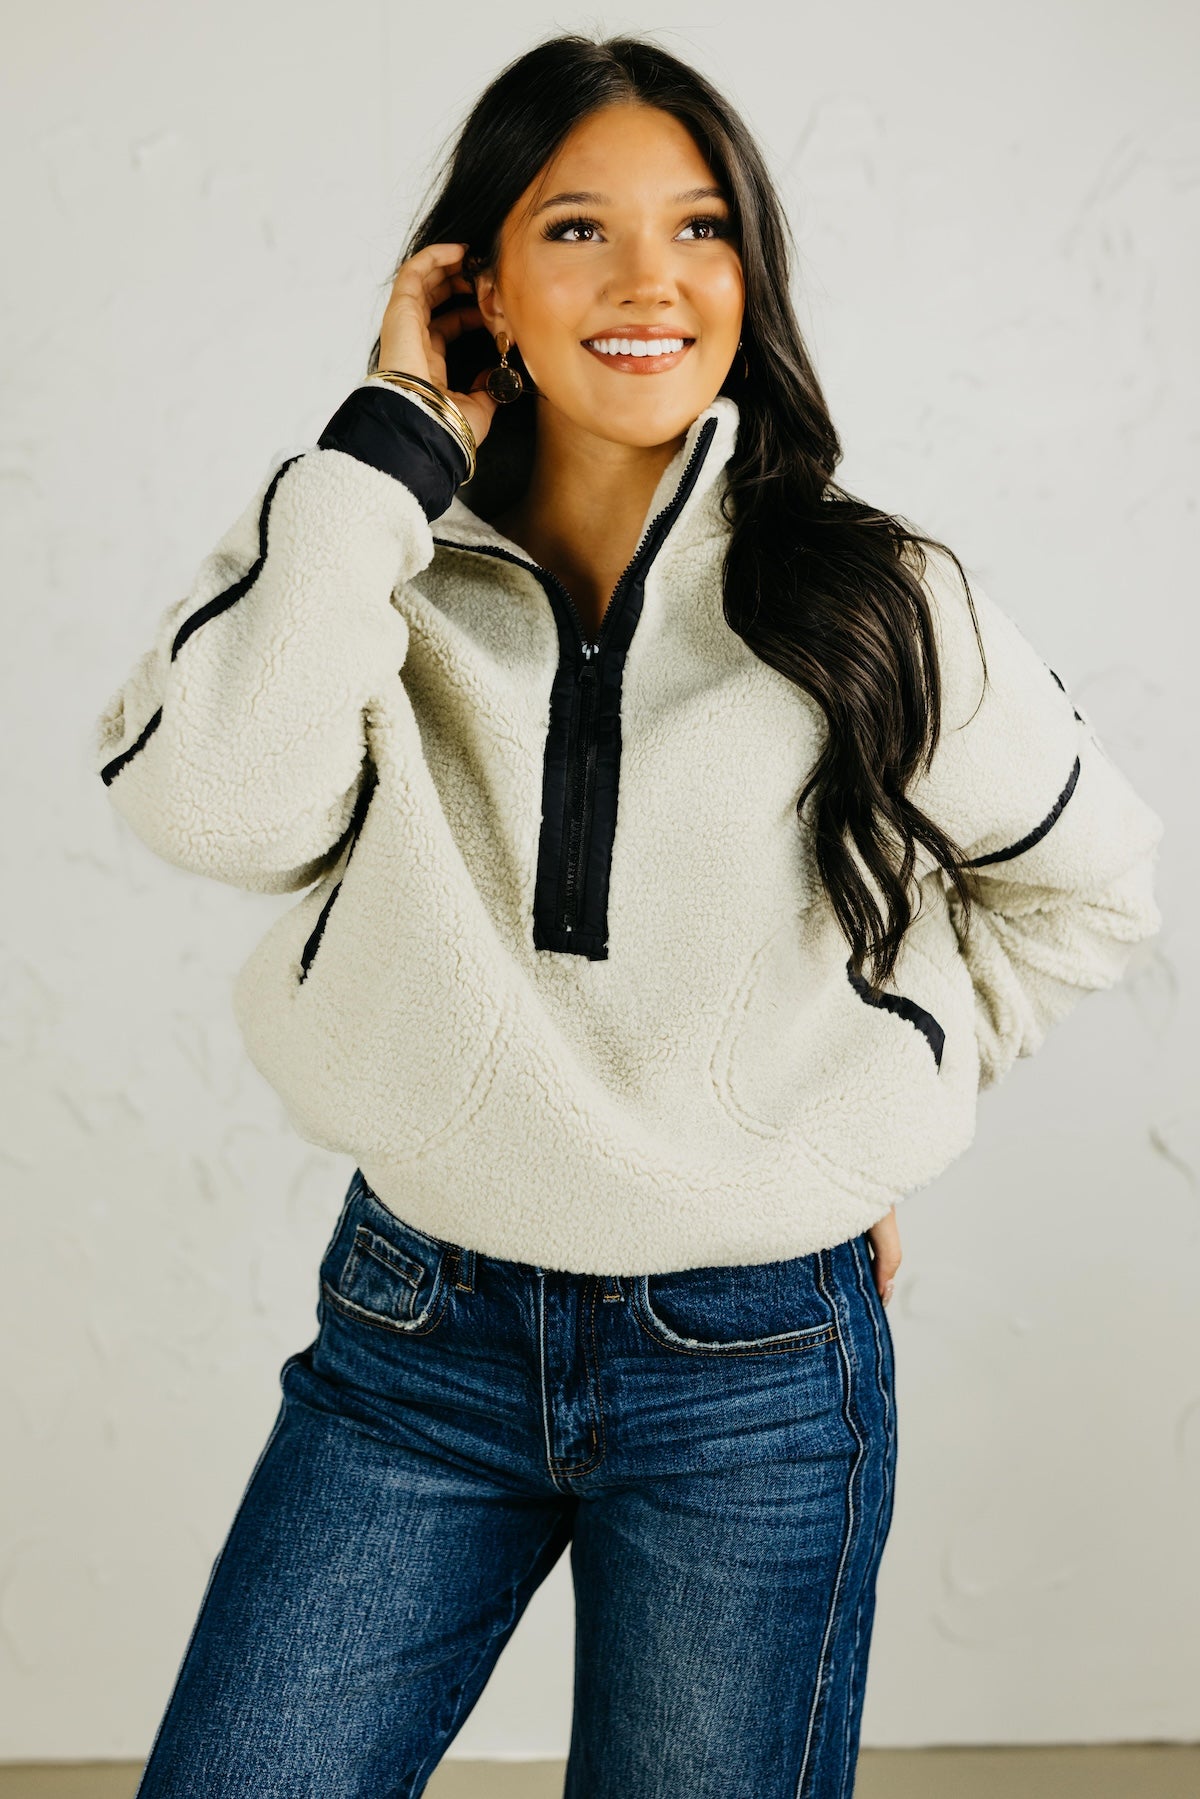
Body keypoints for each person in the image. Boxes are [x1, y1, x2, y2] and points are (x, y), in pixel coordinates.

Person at [94, 32, 1164, 1799]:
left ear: (754, 275)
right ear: (477, 285)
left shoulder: (875, 594)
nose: (652, 279)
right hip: (415, 1327)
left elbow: (1089, 886)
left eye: (704, 228)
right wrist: (384, 448)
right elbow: (207, 807)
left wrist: (865, 1105)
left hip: (752, 1369)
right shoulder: (356, 557)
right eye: (579, 229)